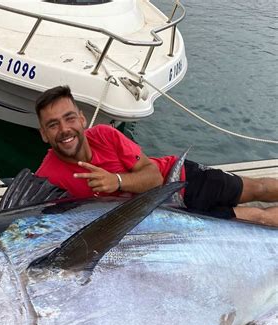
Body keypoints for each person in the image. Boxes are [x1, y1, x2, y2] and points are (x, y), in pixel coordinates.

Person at [34, 85, 278, 226]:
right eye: (53, 125)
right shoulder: (46, 178)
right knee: (258, 218)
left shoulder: (106, 135)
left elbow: (152, 176)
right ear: (43, 134)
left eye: (69, 118)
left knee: (257, 189)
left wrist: (116, 181)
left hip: (179, 179)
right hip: (160, 220)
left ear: (82, 119)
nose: (65, 129)